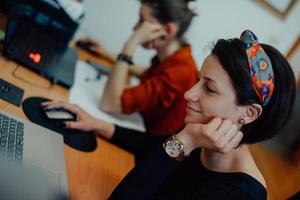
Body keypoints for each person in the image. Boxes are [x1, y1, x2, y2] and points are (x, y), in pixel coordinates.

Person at [42, 30, 296, 199]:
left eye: (209, 88)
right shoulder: (204, 137)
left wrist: (186, 140)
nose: (189, 94)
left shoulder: (239, 194)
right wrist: (98, 124)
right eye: (198, 81)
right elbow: (154, 146)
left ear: (249, 113)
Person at [91, 0, 198, 136]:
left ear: (168, 30)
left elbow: (109, 103)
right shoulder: (177, 59)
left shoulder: (179, 73)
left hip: (149, 146)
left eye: (142, 21)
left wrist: (131, 43)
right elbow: (149, 76)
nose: (135, 27)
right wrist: (106, 54)